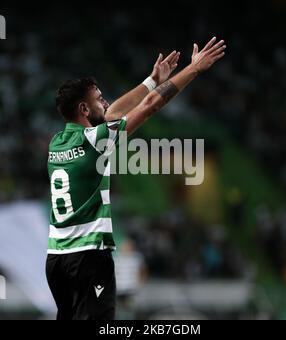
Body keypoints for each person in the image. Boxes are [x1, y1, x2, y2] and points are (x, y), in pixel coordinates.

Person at [46, 37, 226, 320]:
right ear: (83, 109)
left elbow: (113, 113)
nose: (105, 102)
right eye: (98, 99)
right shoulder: (96, 141)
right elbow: (151, 106)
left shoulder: (57, 142)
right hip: (88, 257)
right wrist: (193, 70)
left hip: (56, 259)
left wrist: (151, 80)